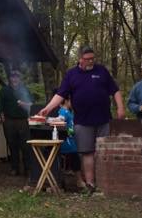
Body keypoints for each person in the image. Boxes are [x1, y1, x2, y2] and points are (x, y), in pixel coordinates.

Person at [38, 46, 125, 195]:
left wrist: (120, 108)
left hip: (104, 119)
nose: (91, 61)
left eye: (92, 58)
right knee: (87, 153)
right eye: (87, 59)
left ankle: (106, 184)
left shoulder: (101, 71)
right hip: (82, 121)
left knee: (103, 152)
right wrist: (47, 108)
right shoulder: (72, 75)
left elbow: (115, 90)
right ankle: (90, 184)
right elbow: (60, 94)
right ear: (80, 59)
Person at [0, 69, 33, 177]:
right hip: (9, 121)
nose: (15, 79)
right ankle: (14, 168)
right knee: (12, 145)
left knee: (26, 146)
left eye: (17, 76)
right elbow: (0, 107)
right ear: (10, 78)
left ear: (20, 78)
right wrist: (4, 121)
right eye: (13, 77)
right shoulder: (4, 90)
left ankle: (28, 168)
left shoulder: (25, 90)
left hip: (23, 121)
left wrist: (24, 104)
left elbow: (31, 104)